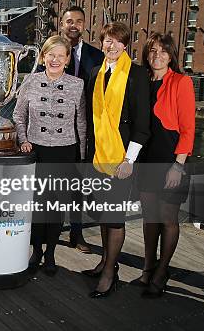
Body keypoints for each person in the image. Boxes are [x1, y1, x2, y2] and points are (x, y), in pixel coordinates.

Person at [83, 21, 150, 298]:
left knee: (115, 218)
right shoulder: (95, 72)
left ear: (125, 45)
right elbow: (91, 119)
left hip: (121, 157)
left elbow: (142, 124)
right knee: (102, 213)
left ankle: (111, 272)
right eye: (106, 41)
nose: (110, 46)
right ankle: (105, 262)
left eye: (116, 41)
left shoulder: (136, 75)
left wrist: (129, 161)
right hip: (98, 156)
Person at [13, 35, 86, 276]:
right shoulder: (31, 81)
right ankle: (36, 251)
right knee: (36, 205)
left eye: (60, 56)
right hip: (36, 150)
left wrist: (82, 157)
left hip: (65, 152)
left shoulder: (78, 84)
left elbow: (82, 123)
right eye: (50, 55)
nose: (55, 60)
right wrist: (23, 140)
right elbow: (18, 115)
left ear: (67, 60)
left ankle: (52, 252)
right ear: (43, 57)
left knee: (56, 205)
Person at [134, 33, 195, 298]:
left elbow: (188, 129)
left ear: (171, 55)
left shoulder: (181, 82)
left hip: (171, 160)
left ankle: (162, 272)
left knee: (168, 219)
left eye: (162, 51)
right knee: (149, 218)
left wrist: (178, 165)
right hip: (147, 160)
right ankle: (148, 267)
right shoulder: (142, 82)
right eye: (152, 51)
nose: (157, 55)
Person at [59, 5, 104, 252]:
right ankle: (46, 233)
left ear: (84, 25)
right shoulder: (51, 52)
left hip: (83, 131)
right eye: (69, 21)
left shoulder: (96, 57)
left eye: (78, 21)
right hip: (52, 129)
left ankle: (76, 235)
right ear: (62, 24)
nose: (73, 25)